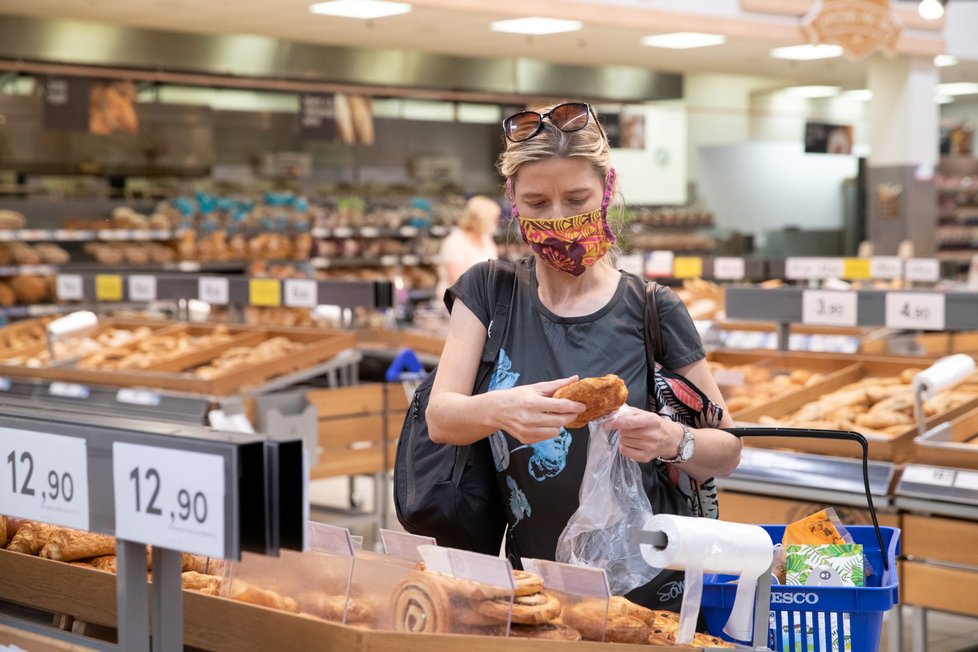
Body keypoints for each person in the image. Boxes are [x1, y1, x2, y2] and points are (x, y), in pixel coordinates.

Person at [426, 101, 740, 610]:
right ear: (512, 200)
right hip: (531, 586)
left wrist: (671, 438)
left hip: (650, 588)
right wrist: (500, 408)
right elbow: (441, 417)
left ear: (607, 191)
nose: (559, 219)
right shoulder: (488, 291)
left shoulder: (651, 309)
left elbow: (727, 448)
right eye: (536, 202)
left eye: (577, 199)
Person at [433, 195, 501, 304]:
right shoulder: (455, 242)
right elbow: (458, 282)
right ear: (482, 220)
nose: (496, 223)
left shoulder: (486, 240)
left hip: (484, 302)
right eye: (493, 219)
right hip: (458, 304)